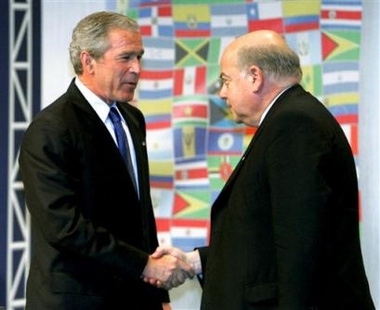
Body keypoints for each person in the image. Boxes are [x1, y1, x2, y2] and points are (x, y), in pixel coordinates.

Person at [149, 30, 375, 309]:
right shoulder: (288, 119)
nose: (222, 92)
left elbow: (299, 248)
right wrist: (194, 261)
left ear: (255, 77)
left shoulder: (294, 124)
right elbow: (264, 239)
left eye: (226, 80)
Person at [18, 11, 194, 310]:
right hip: (79, 299)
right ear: (88, 61)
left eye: (139, 57)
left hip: (135, 296)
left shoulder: (132, 119)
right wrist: (144, 266)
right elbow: (64, 226)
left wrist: (159, 295)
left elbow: (139, 214)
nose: (137, 69)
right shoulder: (52, 128)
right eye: (126, 57)